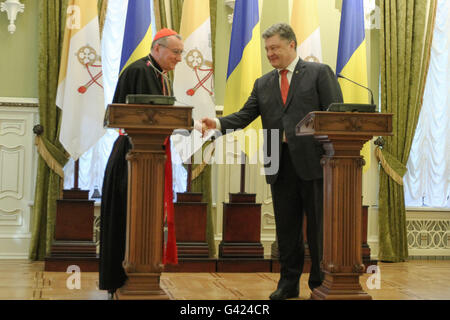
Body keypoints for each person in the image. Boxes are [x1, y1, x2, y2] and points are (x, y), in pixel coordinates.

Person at [201, 23, 343, 300]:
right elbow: (244, 116)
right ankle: (288, 284)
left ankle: (319, 283)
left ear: (292, 45)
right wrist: (216, 123)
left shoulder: (318, 73)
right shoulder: (263, 83)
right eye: (267, 49)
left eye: (275, 47)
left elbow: (335, 117)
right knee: (286, 230)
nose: (270, 54)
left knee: (318, 230)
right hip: (278, 163)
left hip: (314, 164)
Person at [99, 28, 184, 299]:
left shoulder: (161, 76)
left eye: (181, 53)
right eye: (175, 52)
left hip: (150, 157)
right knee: (127, 217)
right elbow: (119, 114)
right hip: (132, 157)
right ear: (157, 49)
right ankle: (123, 278)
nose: (179, 58)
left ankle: (144, 277)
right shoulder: (138, 70)